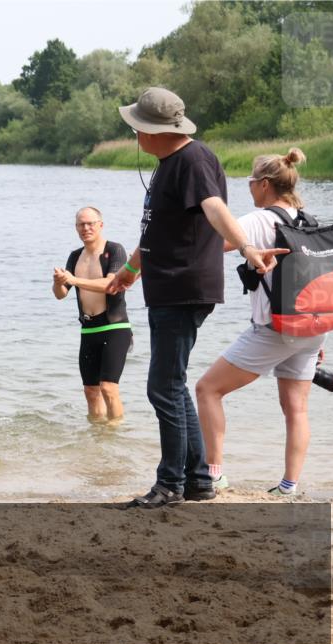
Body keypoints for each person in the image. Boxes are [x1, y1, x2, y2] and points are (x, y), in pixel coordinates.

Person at [108, 87, 286, 509]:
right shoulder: (170, 163)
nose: (134, 134)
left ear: (151, 130)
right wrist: (130, 271)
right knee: (170, 385)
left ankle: (170, 483)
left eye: (136, 127)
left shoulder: (193, 159)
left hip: (184, 286)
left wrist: (245, 247)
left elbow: (214, 207)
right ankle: (198, 479)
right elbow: (156, 230)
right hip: (166, 284)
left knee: (162, 387)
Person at [196, 149, 323, 496]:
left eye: (252, 181)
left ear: (265, 185)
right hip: (313, 326)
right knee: (296, 408)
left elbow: (209, 245)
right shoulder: (308, 219)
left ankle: (215, 474)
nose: (250, 187)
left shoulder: (258, 220)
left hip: (275, 328)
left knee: (207, 390)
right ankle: (288, 486)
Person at [52, 206, 131, 423]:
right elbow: (60, 295)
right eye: (81, 224)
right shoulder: (75, 256)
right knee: (90, 391)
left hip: (115, 327)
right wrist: (59, 282)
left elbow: (110, 284)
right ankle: (97, 440)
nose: (86, 228)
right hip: (89, 329)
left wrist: (74, 280)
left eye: (90, 223)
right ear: (76, 228)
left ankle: (115, 433)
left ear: (100, 225)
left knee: (108, 387)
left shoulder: (114, 250)